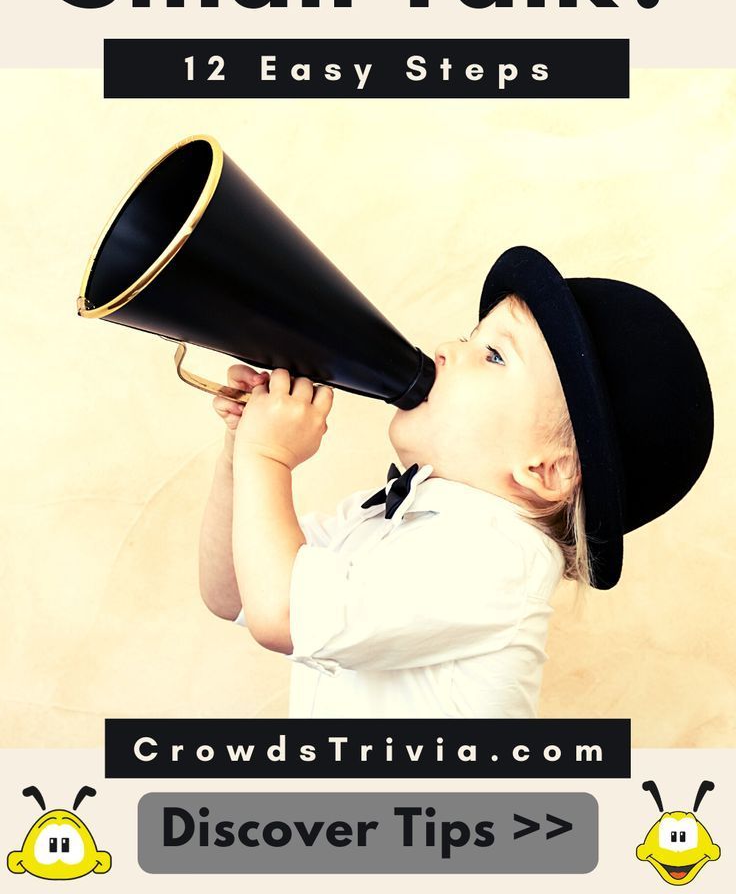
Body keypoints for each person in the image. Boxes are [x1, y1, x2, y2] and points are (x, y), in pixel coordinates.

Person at [198, 246, 713, 718]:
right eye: (471, 337)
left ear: (546, 469)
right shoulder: (388, 514)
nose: (445, 349)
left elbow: (280, 613)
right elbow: (234, 594)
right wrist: (238, 454)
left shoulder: (500, 559)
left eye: (494, 355)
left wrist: (267, 455)